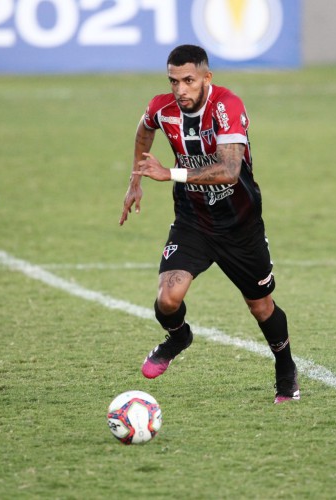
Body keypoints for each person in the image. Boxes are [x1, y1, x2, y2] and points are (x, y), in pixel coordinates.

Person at [119, 44, 299, 404]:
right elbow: (144, 129)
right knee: (167, 298)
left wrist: (168, 172)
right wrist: (135, 180)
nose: (180, 89)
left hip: (240, 224)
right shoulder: (162, 108)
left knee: (261, 306)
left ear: (206, 78)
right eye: (174, 81)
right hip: (193, 221)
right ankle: (179, 337)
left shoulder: (226, 106)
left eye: (188, 80)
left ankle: (285, 369)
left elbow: (230, 172)